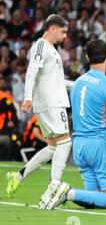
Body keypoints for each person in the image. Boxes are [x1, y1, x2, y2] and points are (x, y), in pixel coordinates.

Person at [45, 39, 106, 210]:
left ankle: (66, 193)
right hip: (100, 146)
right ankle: (68, 193)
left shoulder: (78, 84)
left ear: (87, 57)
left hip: (79, 147)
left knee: (96, 201)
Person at [6, 14, 73, 210]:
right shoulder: (42, 46)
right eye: (63, 31)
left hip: (49, 102)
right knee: (66, 142)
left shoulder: (50, 49)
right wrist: (27, 97)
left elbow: (56, 80)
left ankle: (18, 176)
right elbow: (31, 71)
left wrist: (77, 85)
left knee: (53, 147)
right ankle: (54, 186)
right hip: (51, 103)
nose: (65, 36)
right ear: (51, 28)